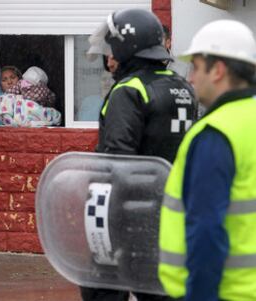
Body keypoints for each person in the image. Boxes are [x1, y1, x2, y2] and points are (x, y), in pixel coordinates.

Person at [81, 9, 196, 301]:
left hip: (129, 214)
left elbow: (118, 161)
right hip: (172, 210)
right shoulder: (182, 86)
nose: (108, 59)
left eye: (112, 51)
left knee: (102, 289)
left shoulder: (129, 90)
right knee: (162, 290)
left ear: (129, 48)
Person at [159, 20, 256, 301]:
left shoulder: (216, 133)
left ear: (218, 70)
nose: (190, 78)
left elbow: (206, 230)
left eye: (196, 67)